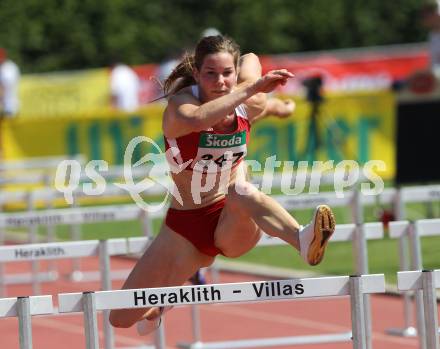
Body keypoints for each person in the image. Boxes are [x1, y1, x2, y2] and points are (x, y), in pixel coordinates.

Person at [109, 35, 335, 334]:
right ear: (197, 74)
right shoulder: (181, 106)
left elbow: (252, 59)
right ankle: (158, 309)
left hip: (232, 221)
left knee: (240, 189)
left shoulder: (249, 102)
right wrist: (253, 89)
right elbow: (201, 118)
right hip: (183, 229)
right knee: (120, 318)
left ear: (235, 72)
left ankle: (302, 239)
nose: (220, 82)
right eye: (210, 74)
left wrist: (280, 106)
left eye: (227, 73)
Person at [0, 48, 20, 117]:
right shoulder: (8, 66)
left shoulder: (8, 68)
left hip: (9, 107)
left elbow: (5, 86)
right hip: (7, 106)